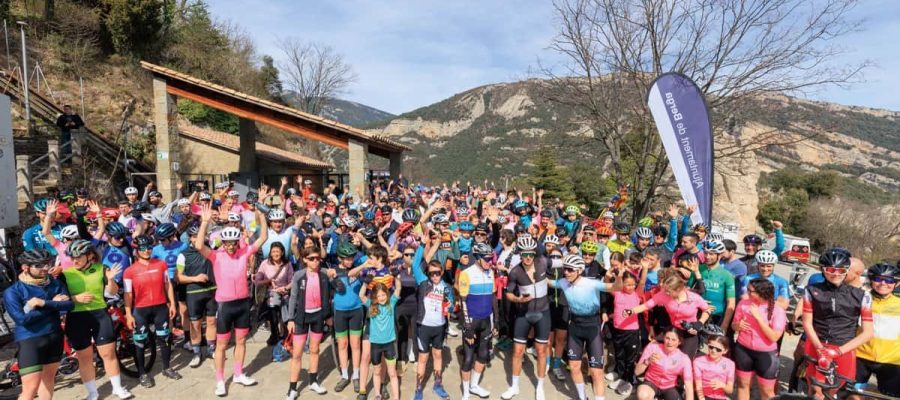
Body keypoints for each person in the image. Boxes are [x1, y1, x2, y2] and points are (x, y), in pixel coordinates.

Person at [195, 203, 268, 397]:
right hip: (225, 305)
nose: (230, 246)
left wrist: (261, 216)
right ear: (223, 243)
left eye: (233, 243)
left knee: (241, 341)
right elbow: (199, 246)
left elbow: (263, 237)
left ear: (237, 243)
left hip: (243, 303)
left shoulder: (244, 253)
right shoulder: (216, 256)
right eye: (227, 243)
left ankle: (238, 373)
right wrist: (204, 223)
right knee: (221, 344)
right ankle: (220, 380)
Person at [58, 240, 130, 400]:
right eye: (72, 257)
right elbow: (59, 299)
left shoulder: (102, 269)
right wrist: (75, 298)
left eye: (78, 257)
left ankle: (117, 388)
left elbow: (112, 293)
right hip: (77, 318)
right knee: (85, 357)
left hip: (100, 315)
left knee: (109, 354)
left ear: (90, 255)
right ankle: (92, 392)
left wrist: (111, 280)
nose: (74, 260)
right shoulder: (65, 274)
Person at [802, 248, 873, 399]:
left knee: (836, 392)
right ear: (823, 269)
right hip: (817, 345)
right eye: (830, 269)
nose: (835, 274)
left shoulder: (862, 296)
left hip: (843, 348)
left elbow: (868, 333)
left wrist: (838, 351)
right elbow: (807, 323)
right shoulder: (811, 290)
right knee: (815, 391)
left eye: (841, 270)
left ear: (847, 270)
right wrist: (821, 349)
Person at [4, 250, 75, 400]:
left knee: (48, 382)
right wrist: (54, 304)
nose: (45, 268)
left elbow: (69, 305)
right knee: (30, 389)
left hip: (54, 336)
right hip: (31, 340)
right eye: (39, 265)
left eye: (47, 264)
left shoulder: (54, 283)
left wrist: (42, 303)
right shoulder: (13, 292)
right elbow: (21, 320)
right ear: (25, 267)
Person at [548, 255, 621, 400]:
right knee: (574, 367)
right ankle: (583, 397)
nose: (566, 272)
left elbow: (617, 287)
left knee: (596, 372)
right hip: (575, 327)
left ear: (580, 270)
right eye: (565, 269)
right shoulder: (563, 282)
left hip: (592, 328)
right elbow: (549, 282)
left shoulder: (592, 283)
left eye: (570, 270)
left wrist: (619, 275)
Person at [123, 235, 181, 387]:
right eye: (143, 248)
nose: (147, 251)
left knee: (165, 339)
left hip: (161, 307)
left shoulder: (161, 264)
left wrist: (172, 304)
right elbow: (128, 294)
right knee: (140, 343)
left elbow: (167, 285)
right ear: (136, 250)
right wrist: (128, 314)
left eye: (149, 247)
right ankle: (143, 374)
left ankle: (167, 368)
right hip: (140, 310)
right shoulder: (129, 271)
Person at [502, 235, 552, 400]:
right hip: (524, 313)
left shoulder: (543, 262)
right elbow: (508, 294)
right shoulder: (515, 272)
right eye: (525, 254)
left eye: (531, 254)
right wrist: (518, 299)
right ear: (520, 254)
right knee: (517, 352)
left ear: (535, 253)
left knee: (541, 351)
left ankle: (540, 388)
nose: (528, 258)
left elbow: (562, 263)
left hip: (543, 313)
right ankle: (514, 387)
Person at [285, 247, 338, 398]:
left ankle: (313, 381)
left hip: (318, 316)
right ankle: (293, 388)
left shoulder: (324, 273)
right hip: (301, 317)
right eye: (312, 258)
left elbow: (331, 291)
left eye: (317, 258)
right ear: (305, 260)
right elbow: (293, 298)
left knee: (315, 350)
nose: (316, 261)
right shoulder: (298, 275)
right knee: (297, 354)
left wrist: (327, 315)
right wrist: (290, 319)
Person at [626, 273, 710, 359]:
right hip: (673, 329)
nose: (666, 293)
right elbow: (646, 305)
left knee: (685, 359)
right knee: (653, 348)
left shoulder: (694, 298)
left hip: (690, 332)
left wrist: (700, 322)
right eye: (665, 290)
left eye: (669, 291)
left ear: (679, 289)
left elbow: (707, 310)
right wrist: (631, 311)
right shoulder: (663, 295)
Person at [732, 278, 786, 400]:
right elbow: (734, 326)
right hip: (743, 349)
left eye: (751, 291)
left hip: (766, 354)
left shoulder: (777, 310)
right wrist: (737, 325)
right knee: (742, 385)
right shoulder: (743, 303)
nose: (747, 292)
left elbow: (774, 337)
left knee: (767, 392)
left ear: (762, 293)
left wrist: (759, 318)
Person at [413, 239, 453, 400]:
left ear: (442, 272)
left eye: (437, 273)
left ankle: (438, 384)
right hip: (424, 326)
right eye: (431, 273)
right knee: (423, 358)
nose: (434, 276)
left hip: (440, 327)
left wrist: (450, 306)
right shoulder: (423, 283)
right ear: (428, 274)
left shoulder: (446, 287)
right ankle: (418, 389)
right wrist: (422, 245)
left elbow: (451, 306)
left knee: (437, 355)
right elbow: (416, 264)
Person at [458, 242, 498, 400]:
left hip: (486, 321)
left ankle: (474, 385)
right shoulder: (466, 273)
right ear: (478, 258)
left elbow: (493, 299)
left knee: (482, 355)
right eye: (487, 259)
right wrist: (467, 326)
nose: (490, 262)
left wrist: (497, 321)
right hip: (472, 321)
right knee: (468, 359)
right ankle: (466, 393)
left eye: (491, 259)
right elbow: (463, 301)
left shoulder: (491, 272)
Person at [854, 263, 900, 397]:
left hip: (892, 361)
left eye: (890, 280)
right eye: (878, 279)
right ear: (871, 280)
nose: (883, 283)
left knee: (889, 397)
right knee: (852, 395)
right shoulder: (860, 299)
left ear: (896, 283)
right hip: (860, 356)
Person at [176, 225, 218, 368]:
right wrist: (196, 278)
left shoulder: (210, 248)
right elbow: (179, 278)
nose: (197, 238)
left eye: (199, 235)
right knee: (195, 324)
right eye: (194, 236)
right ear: (190, 238)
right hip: (193, 293)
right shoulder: (183, 254)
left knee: (212, 321)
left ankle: (211, 349)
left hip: (211, 290)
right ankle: (196, 352)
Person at [331, 242, 367, 393]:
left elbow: (371, 256)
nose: (350, 260)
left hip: (356, 310)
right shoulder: (334, 270)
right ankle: (345, 375)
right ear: (339, 258)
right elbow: (329, 272)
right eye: (346, 258)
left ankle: (356, 375)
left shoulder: (358, 266)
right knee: (342, 344)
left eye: (352, 257)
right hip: (340, 312)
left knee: (356, 344)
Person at [359, 282, 403, 400]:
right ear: (374, 297)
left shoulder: (391, 304)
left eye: (383, 295)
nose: (382, 298)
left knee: (392, 373)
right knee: (377, 371)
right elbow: (361, 295)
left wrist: (396, 277)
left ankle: (396, 397)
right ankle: (377, 395)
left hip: (389, 344)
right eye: (378, 296)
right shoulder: (371, 306)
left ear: (387, 295)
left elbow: (398, 288)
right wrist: (365, 283)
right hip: (375, 345)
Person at [635, 327, 694, 400]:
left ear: (679, 342)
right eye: (667, 338)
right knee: (643, 395)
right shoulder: (652, 347)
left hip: (670, 386)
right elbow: (637, 372)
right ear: (663, 338)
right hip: (651, 382)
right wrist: (647, 361)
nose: (670, 342)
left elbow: (688, 385)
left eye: (673, 340)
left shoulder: (684, 358)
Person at [699, 241, 736, 332]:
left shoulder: (727, 275)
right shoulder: (698, 268)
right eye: (706, 253)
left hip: (716, 316)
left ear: (719, 255)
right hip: (697, 312)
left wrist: (725, 324)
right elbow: (687, 290)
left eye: (711, 254)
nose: (707, 257)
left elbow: (731, 302)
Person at [693, 335, 735, 400]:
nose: (713, 351)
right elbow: (698, 386)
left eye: (718, 349)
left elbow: (730, 390)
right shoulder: (698, 361)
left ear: (725, 351)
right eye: (711, 347)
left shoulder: (730, 364)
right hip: (703, 396)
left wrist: (723, 385)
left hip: (720, 397)